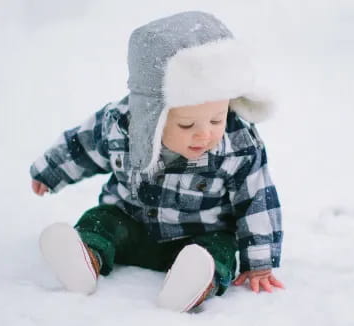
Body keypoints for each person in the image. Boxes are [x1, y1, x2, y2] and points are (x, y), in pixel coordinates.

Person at [30, 11, 284, 312]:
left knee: (220, 249)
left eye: (217, 118)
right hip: (131, 224)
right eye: (187, 125)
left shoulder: (237, 143)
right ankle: (86, 258)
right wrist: (50, 171)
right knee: (101, 221)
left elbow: (257, 199)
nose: (204, 134)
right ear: (153, 116)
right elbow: (83, 145)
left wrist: (260, 263)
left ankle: (194, 282)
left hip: (199, 236)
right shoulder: (121, 124)